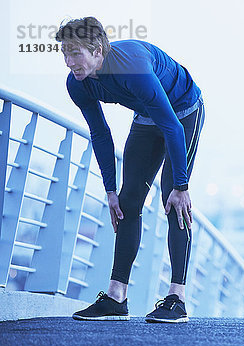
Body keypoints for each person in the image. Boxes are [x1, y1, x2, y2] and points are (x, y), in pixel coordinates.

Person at [56, 17, 205, 323]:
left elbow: (172, 127)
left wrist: (182, 186)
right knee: (127, 202)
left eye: (76, 53)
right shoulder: (78, 84)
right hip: (146, 115)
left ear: (98, 50)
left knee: (173, 201)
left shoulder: (132, 69)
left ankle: (177, 298)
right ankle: (115, 297)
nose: (70, 62)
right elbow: (100, 133)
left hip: (183, 113)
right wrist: (110, 191)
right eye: (65, 54)